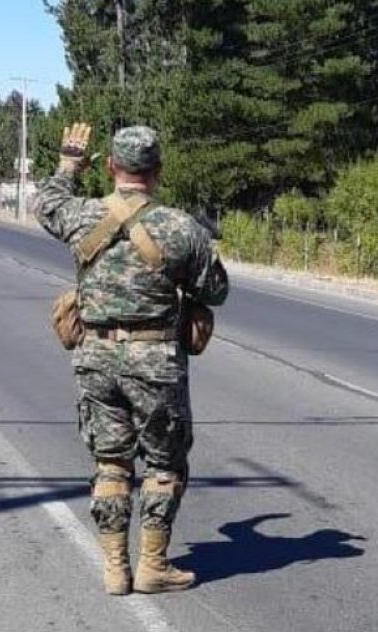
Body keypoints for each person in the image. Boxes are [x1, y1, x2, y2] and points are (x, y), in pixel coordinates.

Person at [29, 123, 229, 593]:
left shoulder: (82, 215)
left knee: (111, 464)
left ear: (113, 167)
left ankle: (115, 569)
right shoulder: (182, 228)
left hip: (95, 358)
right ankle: (153, 566)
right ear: (157, 172)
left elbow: (46, 203)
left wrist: (68, 164)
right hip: (155, 360)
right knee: (164, 465)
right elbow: (215, 292)